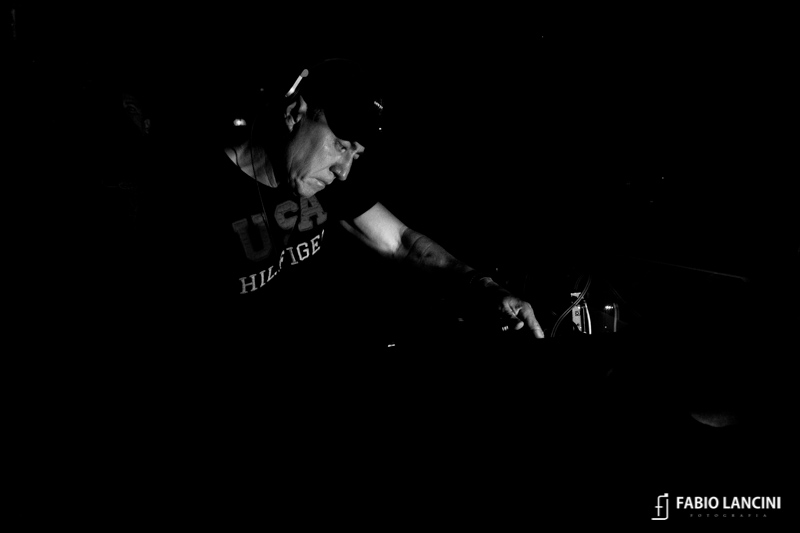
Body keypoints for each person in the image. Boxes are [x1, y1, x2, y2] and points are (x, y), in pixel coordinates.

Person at [134, 58, 545, 352]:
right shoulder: (193, 192)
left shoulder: (320, 180)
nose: (344, 171)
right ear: (295, 113)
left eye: (356, 154)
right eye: (341, 145)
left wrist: (485, 289)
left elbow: (402, 243)